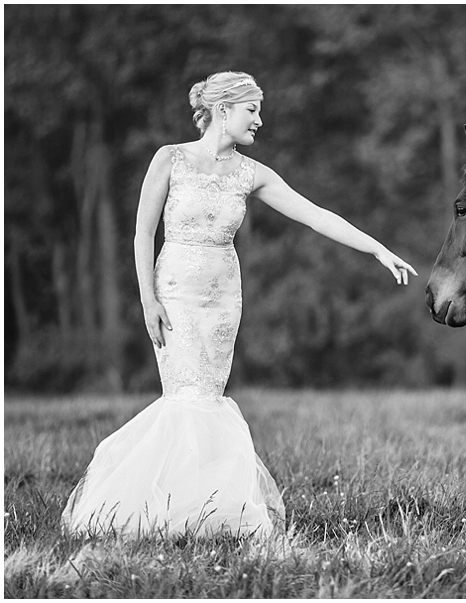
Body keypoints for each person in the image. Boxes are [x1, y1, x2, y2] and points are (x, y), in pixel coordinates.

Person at [61, 71, 417, 538]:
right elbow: (142, 233)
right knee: (185, 398)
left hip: (224, 300)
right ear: (223, 110)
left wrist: (377, 249)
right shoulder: (170, 159)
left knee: (208, 397)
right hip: (175, 295)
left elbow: (316, 215)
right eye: (253, 110)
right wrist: (147, 299)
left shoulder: (252, 174)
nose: (260, 121)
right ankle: (160, 511)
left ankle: (207, 512)